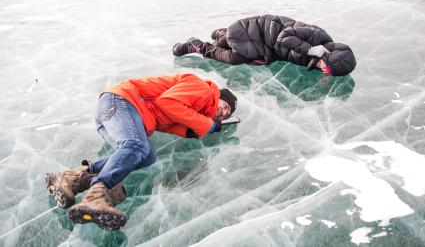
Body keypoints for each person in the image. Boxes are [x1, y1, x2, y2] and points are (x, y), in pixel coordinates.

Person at [45, 73, 237, 231]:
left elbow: (164, 119)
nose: (223, 113)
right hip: (120, 102)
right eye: (225, 106)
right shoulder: (204, 90)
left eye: (226, 115)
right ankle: (97, 195)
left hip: (117, 111)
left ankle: (72, 178)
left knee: (146, 156)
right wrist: (206, 124)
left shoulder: (197, 107)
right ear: (219, 96)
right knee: (136, 145)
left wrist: (188, 131)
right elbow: (167, 103)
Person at [173, 15, 356, 76]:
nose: (325, 71)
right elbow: (284, 37)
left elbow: (283, 53)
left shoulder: (318, 59)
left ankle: (222, 35)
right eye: (328, 68)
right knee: (236, 58)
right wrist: (309, 49)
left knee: (241, 50)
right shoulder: (319, 38)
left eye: (329, 73)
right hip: (258, 30)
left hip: (264, 44)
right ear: (328, 56)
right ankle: (197, 46)